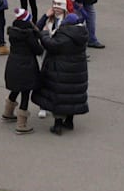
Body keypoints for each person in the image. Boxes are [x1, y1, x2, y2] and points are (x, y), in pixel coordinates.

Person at [35, 8, 90, 136]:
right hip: (77, 71)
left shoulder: (64, 36)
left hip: (61, 70)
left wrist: (44, 34)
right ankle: (69, 121)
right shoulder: (82, 35)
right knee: (72, 95)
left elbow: (50, 44)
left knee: (60, 96)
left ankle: (57, 125)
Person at [2, 7, 42, 134]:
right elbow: (38, 50)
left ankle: (8, 112)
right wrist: (37, 32)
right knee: (25, 92)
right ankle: (21, 124)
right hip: (26, 66)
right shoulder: (28, 35)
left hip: (13, 64)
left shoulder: (13, 33)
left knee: (15, 89)